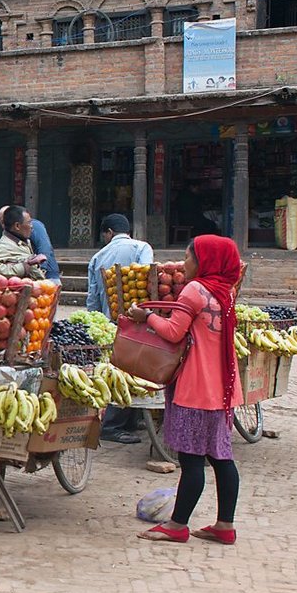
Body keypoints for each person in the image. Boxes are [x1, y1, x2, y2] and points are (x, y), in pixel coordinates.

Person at [129, 235, 245, 545]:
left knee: (192, 460)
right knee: (222, 457)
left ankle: (178, 525)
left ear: (205, 261)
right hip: (222, 389)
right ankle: (225, 525)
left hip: (195, 387)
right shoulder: (226, 292)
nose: (184, 264)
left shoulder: (195, 290)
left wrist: (147, 316)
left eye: (189, 257)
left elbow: (173, 331)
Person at [87, 214, 155, 443]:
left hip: (111, 321)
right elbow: (147, 279)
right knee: (135, 370)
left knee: (122, 370)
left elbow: (93, 298)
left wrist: (95, 324)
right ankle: (113, 425)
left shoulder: (98, 257)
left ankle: (129, 419)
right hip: (138, 319)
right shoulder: (141, 247)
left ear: (108, 232)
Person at [0, 205, 48, 279]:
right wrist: (23, 267)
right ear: (17, 226)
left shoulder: (23, 241)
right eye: (29, 223)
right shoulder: (5, 246)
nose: (31, 226)